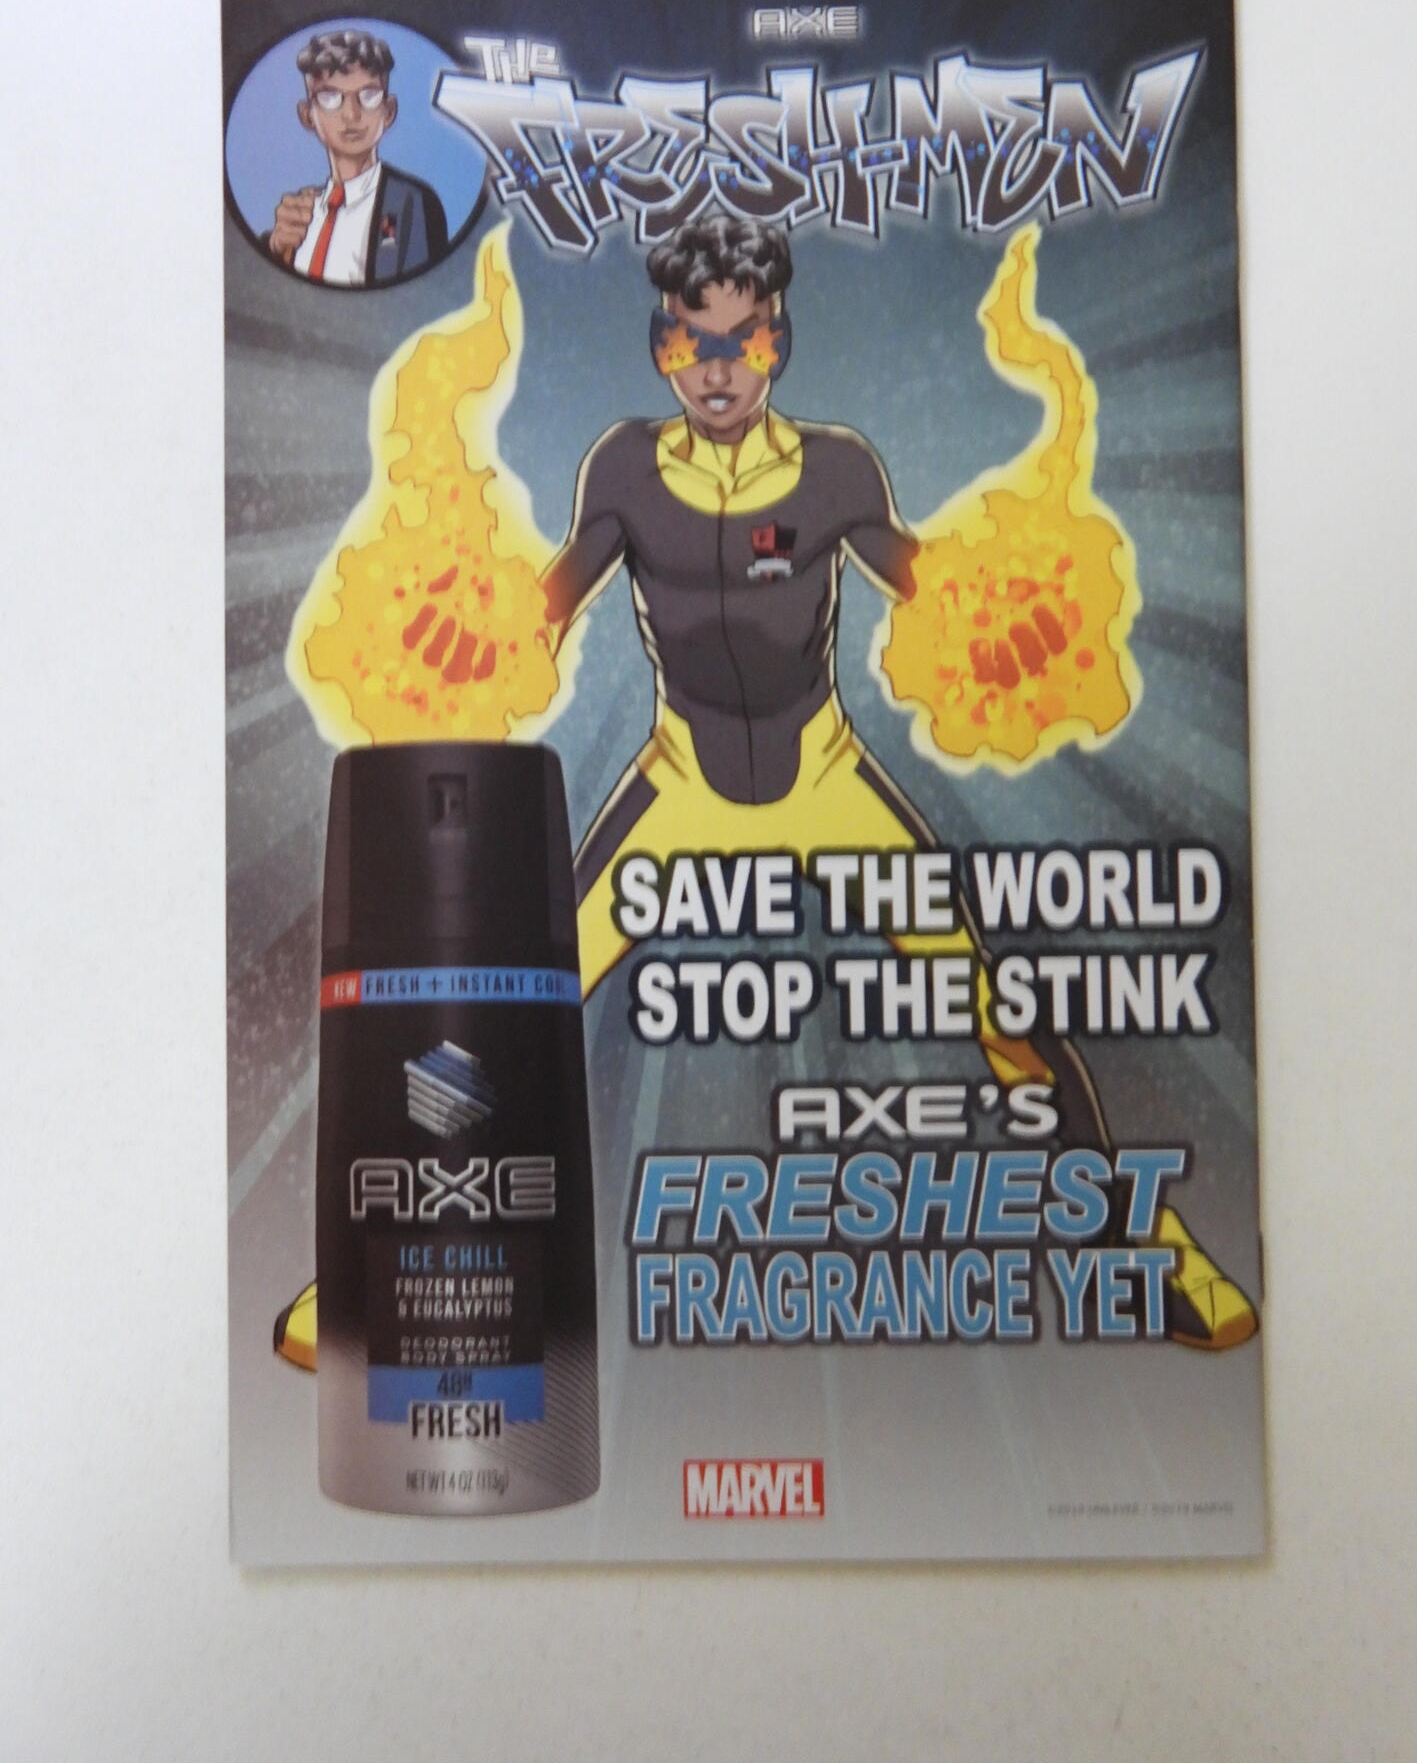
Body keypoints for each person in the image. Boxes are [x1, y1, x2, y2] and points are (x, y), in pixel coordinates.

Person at [274, 214, 1256, 1368]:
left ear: (777, 343)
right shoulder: (624, 467)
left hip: (825, 777)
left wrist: (1021, 618)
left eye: (743, 343)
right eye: (694, 344)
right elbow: (543, 610)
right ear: (662, 347)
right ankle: (362, 1277)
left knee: (1001, 1008)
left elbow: (934, 591)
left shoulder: (838, 469)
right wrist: (451, 636)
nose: (719, 371)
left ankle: (1145, 1248)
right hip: (679, 783)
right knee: (502, 1017)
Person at [266, 29, 446, 287]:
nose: (351, 115)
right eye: (330, 98)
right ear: (307, 115)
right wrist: (276, 249)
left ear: (389, 111)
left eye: (369, 96)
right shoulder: (300, 214)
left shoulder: (412, 202)